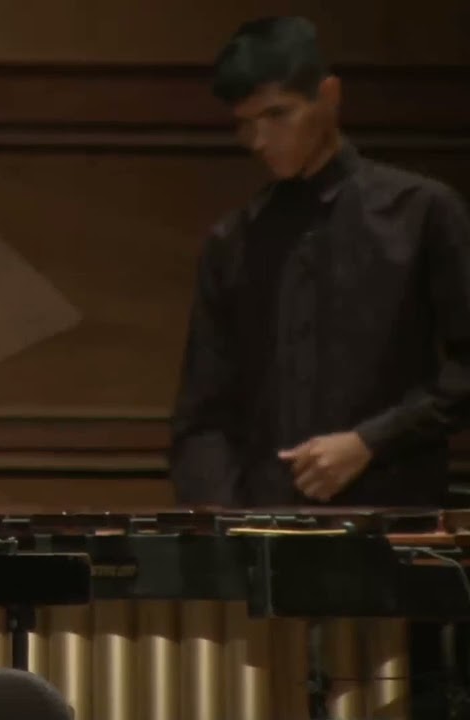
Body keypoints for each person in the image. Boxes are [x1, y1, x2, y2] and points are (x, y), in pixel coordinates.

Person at [168, 16, 470, 508]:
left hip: (393, 519)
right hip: (265, 532)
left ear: (328, 96)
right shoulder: (233, 242)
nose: (259, 141)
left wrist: (370, 441)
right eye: (245, 123)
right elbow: (203, 417)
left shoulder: (422, 212)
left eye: (277, 115)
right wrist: (223, 525)